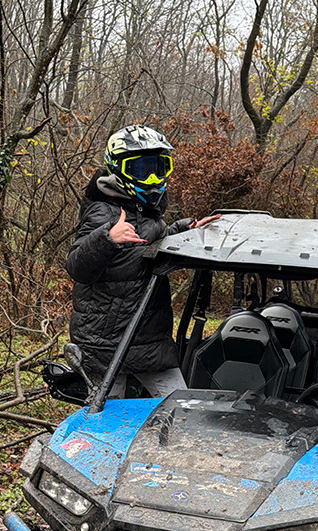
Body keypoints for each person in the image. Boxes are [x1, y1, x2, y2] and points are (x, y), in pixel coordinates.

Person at [65, 124, 218, 398]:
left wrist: (184, 230)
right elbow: (77, 266)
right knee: (108, 425)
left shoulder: (146, 210)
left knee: (179, 409)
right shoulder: (103, 211)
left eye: (157, 168)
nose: (150, 178)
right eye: (139, 170)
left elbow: (146, 248)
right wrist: (106, 238)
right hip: (107, 343)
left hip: (148, 337)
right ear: (117, 170)